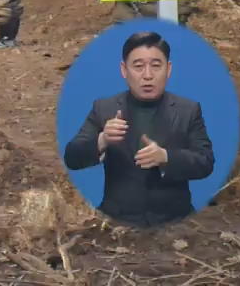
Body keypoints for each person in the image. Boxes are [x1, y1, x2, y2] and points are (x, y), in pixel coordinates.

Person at [63, 31, 215, 228]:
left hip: (176, 222)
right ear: (124, 70)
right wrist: (102, 140)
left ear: (168, 69)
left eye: (156, 66)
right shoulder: (104, 108)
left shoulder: (188, 110)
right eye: (138, 66)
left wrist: (166, 157)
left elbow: (205, 162)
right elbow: (72, 158)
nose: (147, 75)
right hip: (116, 223)